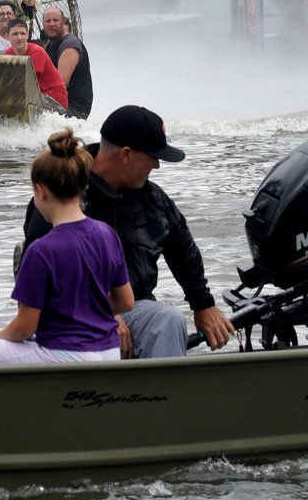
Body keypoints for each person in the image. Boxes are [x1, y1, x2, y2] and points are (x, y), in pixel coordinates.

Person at [23, 105, 235, 359]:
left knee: (169, 320)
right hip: (68, 314)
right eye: (153, 156)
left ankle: (163, 396)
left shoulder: (154, 199)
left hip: (134, 308)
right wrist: (103, 314)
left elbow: (183, 251)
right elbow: (40, 272)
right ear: (125, 155)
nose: (157, 165)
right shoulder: (64, 189)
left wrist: (204, 305)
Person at [0, 129, 132, 367]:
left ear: (40, 191)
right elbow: (125, 302)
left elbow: (24, 327)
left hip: (64, 355)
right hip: (108, 351)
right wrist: (84, 310)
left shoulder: (42, 250)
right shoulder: (107, 234)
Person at [40, 7, 94, 120]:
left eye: (56, 20)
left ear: (63, 22)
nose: (51, 24)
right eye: (48, 21)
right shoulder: (49, 45)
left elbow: (60, 85)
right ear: (43, 24)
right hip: (58, 103)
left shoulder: (70, 45)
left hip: (74, 109)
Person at [3, 20, 68, 110]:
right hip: (36, 96)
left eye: (22, 34)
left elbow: (26, 82)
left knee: (14, 98)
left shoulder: (36, 52)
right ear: (7, 36)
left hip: (55, 100)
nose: (19, 37)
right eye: (15, 34)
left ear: (27, 35)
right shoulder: (8, 53)